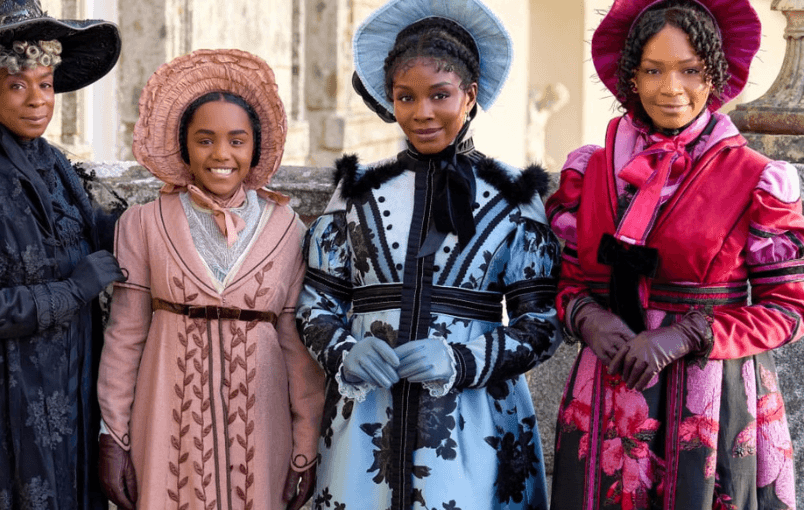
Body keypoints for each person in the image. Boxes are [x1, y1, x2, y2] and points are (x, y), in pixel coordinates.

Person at [296, 0, 562, 508]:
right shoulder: (356, 192)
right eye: (405, 97)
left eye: (440, 95)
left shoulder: (512, 196)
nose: (422, 112)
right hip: (365, 420)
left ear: (470, 96)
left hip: (476, 425)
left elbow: (542, 324)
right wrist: (346, 352)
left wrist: (460, 359)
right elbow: (314, 304)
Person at [546, 0, 802, 508]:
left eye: (690, 71)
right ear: (631, 78)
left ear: (715, 77)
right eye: (653, 70)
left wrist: (686, 334)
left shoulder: (757, 180)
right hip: (604, 394)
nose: (670, 88)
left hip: (709, 403)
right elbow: (568, 281)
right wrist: (588, 318)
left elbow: (787, 310)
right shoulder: (592, 170)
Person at [97, 49, 325, 510]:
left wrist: (305, 447)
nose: (221, 154)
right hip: (164, 426)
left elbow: (297, 347)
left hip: (263, 432)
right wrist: (113, 435)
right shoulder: (142, 224)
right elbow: (125, 336)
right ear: (184, 146)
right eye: (205, 140)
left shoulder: (287, 230)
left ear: (255, 149)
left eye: (237, 141)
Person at [0, 0, 123, 508]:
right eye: (17, 84)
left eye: (45, 83)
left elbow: (106, 235)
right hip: (0, 412)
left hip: (73, 406)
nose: (37, 101)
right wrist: (72, 290)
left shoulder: (58, 168)